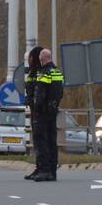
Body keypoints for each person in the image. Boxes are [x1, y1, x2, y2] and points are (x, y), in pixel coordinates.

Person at [31, 48, 64, 182]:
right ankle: (52, 171)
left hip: (43, 112)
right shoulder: (57, 72)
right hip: (53, 111)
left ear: (42, 59)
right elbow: (60, 92)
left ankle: (44, 170)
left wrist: (37, 108)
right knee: (52, 141)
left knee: (42, 141)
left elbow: (40, 93)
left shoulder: (44, 73)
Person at [23, 46, 44, 181]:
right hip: (34, 109)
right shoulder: (33, 72)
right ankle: (39, 167)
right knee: (37, 141)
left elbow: (42, 91)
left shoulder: (41, 72)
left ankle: (43, 168)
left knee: (41, 141)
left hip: (40, 111)